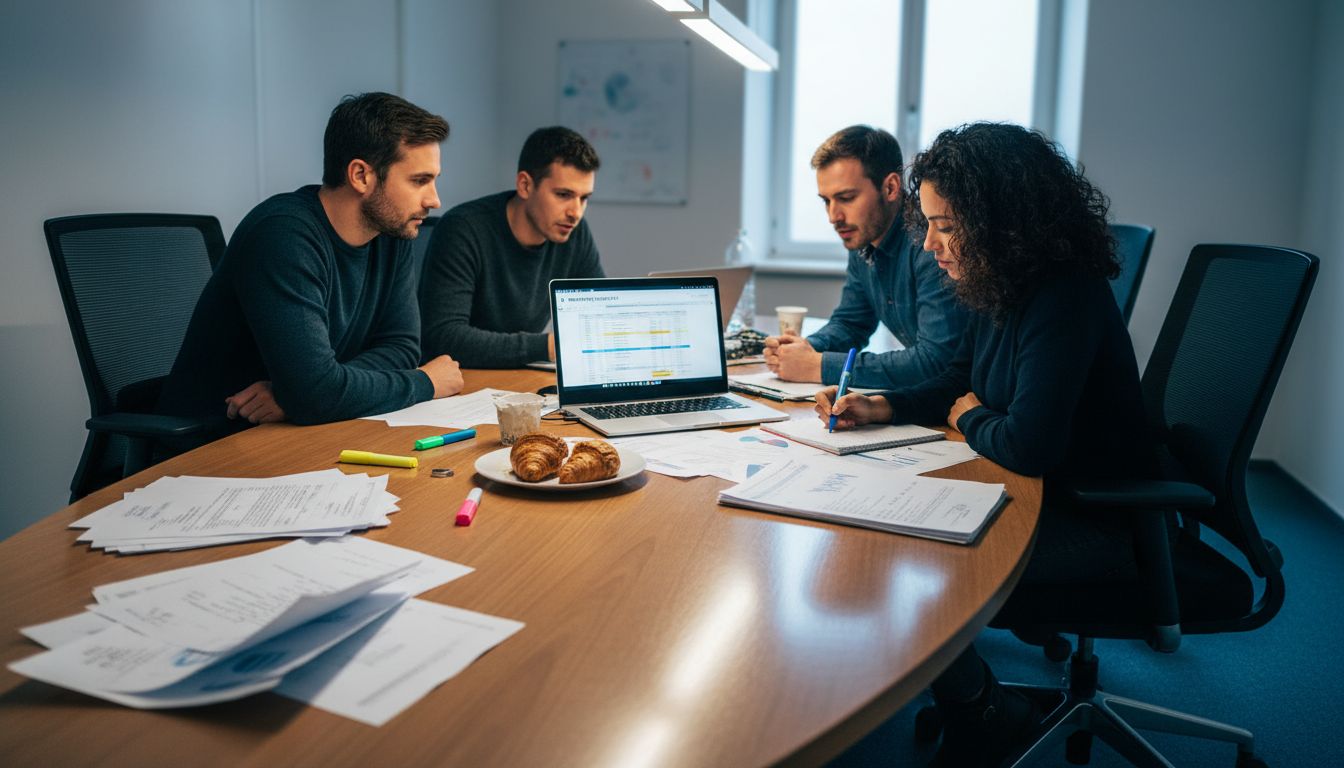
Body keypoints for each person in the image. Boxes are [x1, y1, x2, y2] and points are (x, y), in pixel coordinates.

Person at [816, 122, 1156, 767]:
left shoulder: (1062, 296)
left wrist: (970, 416)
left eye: (947, 225)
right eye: (930, 223)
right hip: (1048, 493)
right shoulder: (1004, 284)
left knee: (911, 559)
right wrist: (882, 405)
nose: (932, 243)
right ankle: (979, 706)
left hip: (1098, 518)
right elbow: (956, 379)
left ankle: (987, 718)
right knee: (886, 529)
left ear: (1004, 221)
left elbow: (1025, 443)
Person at [156, 92, 464, 449]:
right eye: (419, 181)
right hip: (215, 444)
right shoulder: (283, 234)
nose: (434, 200)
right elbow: (316, 393)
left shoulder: (392, 233)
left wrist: (298, 393)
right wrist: (425, 382)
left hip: (303, 434)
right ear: (361, 175)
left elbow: (401, 346)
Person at [763, 125, 966, 388]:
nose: (833, 217)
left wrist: (817, 366)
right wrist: (801, 349)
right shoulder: (864, 236)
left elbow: (935, 362)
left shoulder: (931, 244)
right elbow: (851, 323)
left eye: (846, 198)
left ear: (891, 188)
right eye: (826, 201)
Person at [419, 126, 604, 368]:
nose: (575, 212)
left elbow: (598, 315)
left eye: (584, 198)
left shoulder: (574, 232)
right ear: (525, 185)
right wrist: (549, 346)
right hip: (460, 380)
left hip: (519, 378)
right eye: (563, 194)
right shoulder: (464, 228)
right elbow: (445, 337)